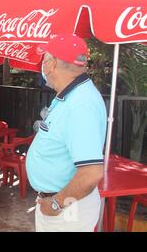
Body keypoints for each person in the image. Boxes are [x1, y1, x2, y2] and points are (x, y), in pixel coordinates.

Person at [26, 34, 106, 232]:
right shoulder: (71, 95)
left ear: (51, 64)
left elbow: (91, 174)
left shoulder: (81, 104)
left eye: (43, 59)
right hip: (60, 204)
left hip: (67, 209)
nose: (42, 66)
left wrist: (55, 204)